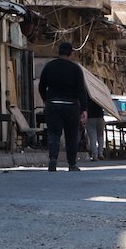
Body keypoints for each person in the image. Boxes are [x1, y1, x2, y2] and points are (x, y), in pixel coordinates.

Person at [39, 43, 87, 172]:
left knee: (54, 134)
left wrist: (47, 100)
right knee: (71, 136)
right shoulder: (76, 69)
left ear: (58, 52)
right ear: (71, 53)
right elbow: (81, 90)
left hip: (53, 105)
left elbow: (41, 86)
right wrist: (84, 110)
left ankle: (53, 160)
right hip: (71, 107)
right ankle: (72, 164)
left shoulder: (50, 66)